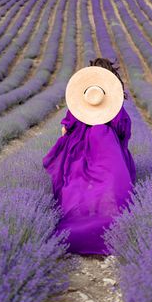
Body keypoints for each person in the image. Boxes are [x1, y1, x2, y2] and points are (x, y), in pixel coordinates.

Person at [42, 57, 136, 256]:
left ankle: (80, 221)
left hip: (78, 157)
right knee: (111, 188)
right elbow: (124, 134)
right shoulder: (117, 111)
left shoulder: (77, 107)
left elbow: (64, 130)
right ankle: (111, 227)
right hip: (109, 154)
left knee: (75, 187)